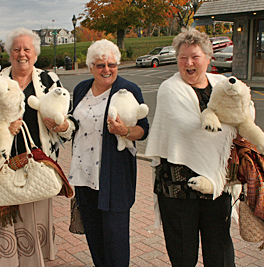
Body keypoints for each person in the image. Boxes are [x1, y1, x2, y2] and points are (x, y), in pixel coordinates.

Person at [0, 27, 76, 267]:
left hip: (37, 162)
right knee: (6, 207)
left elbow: (70, 120)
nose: (21, 54)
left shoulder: (48, 80)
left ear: (35, 54)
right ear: (8, 53)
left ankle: (34, 259)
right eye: (16, 49)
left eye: (27, 49)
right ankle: (8, 260)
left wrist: (61, 126)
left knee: (35, 209)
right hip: (2, 164)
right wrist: (1, 125)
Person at [145, 27, 238, 267]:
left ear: (208, 58)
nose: (189, 62)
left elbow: (243, 116)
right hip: (178, 187)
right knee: (183, 255)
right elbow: (193, 129)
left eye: (195, 56)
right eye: (182, 57)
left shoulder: (222, 84)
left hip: (217, 184)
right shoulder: (170, 88)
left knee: (220, 250)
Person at [68, 39, 149, 267]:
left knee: (116, 240)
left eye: (111, 64)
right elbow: (75, 123)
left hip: (114, 178)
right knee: (95, 237)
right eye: (100, 65)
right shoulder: (81, 89)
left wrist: (125, 131)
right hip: (84, 176)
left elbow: (144, 130)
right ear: (90, 67)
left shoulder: (128, 90)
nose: (107, 70)